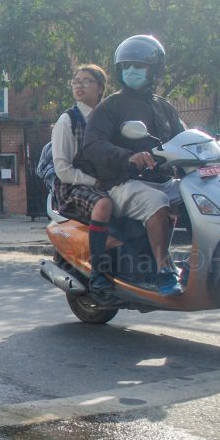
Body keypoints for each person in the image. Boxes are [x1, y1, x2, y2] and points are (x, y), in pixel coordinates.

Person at [75, 34, 186, 296]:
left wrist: (214, 145)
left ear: (154, 71)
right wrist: (127, 156)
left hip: (163, 180)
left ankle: (200, 262)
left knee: (197, 195)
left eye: (139, 66)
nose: (132, 71)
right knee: (156, 202)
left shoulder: (164, 107)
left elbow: (183, 138)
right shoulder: (110, 106)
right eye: (127, 67)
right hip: (124, 183)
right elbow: (92, 144)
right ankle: (163, 271)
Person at [51, 64, 113, 296]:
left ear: (100, 88)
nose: (79, 85)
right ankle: (99, 273)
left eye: (86, 81)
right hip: (73, 187)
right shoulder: (68, 120)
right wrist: (93, 182)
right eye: (76, 81)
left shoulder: (110, 119)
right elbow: (63, 169)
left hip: (107, 182)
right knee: (104, 204)